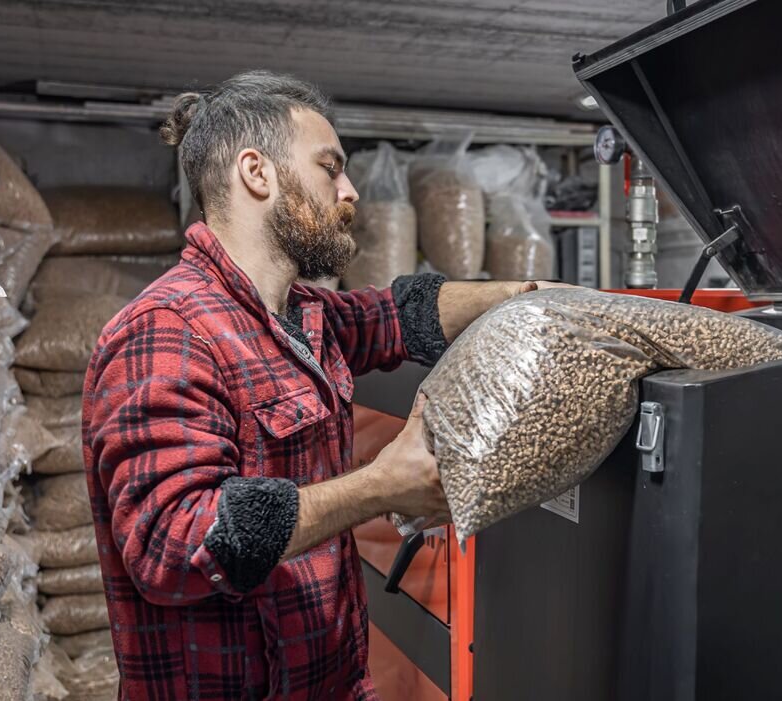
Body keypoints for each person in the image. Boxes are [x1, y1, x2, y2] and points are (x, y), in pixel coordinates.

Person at [82, 70, 561, 700]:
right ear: (258, 173)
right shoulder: (167, 332)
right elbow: (174, 543)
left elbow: (400, 313)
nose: (350, 190)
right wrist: (382, 487)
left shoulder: (306, 316)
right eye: (330, 167)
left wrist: (532, 297)